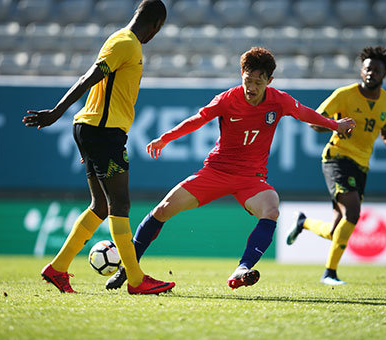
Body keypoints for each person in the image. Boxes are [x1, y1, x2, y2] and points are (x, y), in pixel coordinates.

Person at [105, 47, 356, 290]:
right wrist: (166, 138)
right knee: (162, 210)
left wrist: (335, 126)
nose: (252, 87)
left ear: (269, 80)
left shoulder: (280, 101)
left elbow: (304, 114)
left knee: (271, 208)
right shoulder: (228, 98)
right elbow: (199, 118)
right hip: (216, 172)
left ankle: (241, 270)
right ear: (241, 75)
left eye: (259, 82)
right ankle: (128, 268)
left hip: (251, 178)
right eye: (248, 80)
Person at [23, 0, 175, 294]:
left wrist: (84, 140)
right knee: (120, 204)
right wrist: (56, 112)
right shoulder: (125, 43)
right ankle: (136, 279)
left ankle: (57, 268)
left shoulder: (123, 41)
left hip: (94, 131)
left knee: (102, 206)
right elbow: (88, 78)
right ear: (156, 25)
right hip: (103, 133)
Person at [286, 46, 386, 285]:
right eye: (368, 69)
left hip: (361, 166)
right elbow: (314, 121)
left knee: (336, 229)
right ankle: (330, 273)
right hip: (337, 157)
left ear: (384, 73)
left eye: (377, 70)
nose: (371, 73)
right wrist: (335, 126)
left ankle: (303, 222)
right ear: (361, 71)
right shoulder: (344, 95)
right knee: (354, 212)